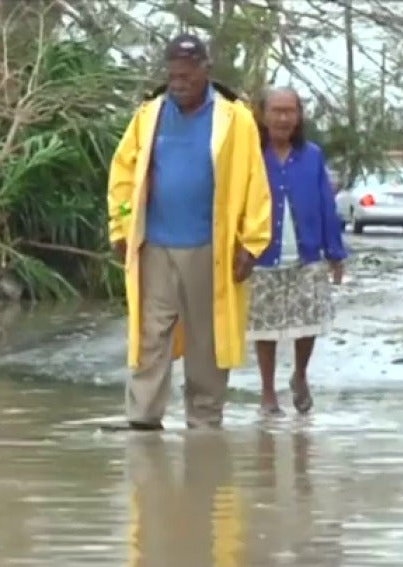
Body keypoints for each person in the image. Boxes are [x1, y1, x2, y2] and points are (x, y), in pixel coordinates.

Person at [107, 34, 272, 430]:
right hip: (155, 245)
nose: (178, 83)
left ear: (205, 71)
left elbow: (255, 184)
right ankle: (143, 420)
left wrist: (251, 243)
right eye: (172, 75)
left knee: (206, 339)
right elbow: (123, 178)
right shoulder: (149, 115)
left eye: (186, 76)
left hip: (210, 248)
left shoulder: (235, 119)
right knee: (150, 334)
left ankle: (204, 421)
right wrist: (122, 225)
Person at [247, 87, 347, 417]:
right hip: (261, 255)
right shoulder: (250, 154)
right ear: (262, 114)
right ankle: (267, 392)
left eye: (290, 111)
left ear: (299, 115)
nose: (283, 118)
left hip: (307, 253)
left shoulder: (312, 155)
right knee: (266, 328)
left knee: (307, 324)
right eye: (276, 110)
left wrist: (334, 252)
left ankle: (300, 375)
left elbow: (326, 204)